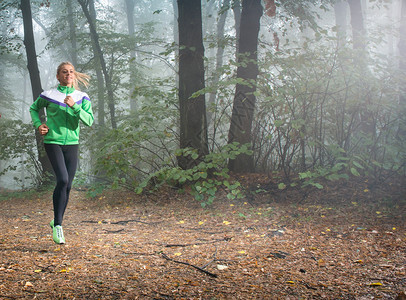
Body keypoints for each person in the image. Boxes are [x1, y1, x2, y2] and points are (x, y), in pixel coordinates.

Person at [29, 62, 94, 244]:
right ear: (58, 76)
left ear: (74, 75)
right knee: (62, 180)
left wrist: (75, 106)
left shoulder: (81, 97)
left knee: (68, 185)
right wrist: (39, 125)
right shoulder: (49, 95)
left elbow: (89, 120)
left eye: (71, 72)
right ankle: (58, 226)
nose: (68, 74)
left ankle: (56, 219)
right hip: (53, 141)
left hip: (72, 143)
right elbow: (34, 108)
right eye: (64, 72)